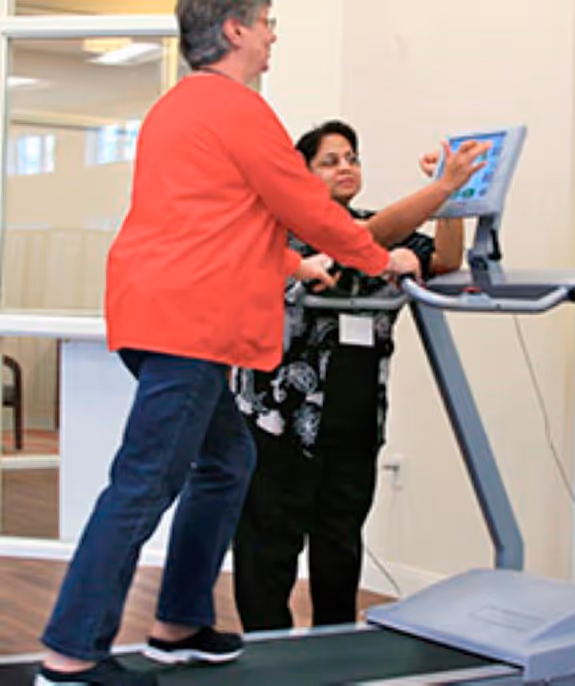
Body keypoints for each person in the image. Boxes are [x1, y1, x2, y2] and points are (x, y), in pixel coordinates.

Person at [35, 1, 487, 684]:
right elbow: (308, 211)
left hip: (156, 314)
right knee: (143, 482)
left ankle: (179, 623)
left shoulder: (178, 108)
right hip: (189, 324)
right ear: (236, 29)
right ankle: (69, 656)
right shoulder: (238, 109)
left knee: (226, 462)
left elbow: (210, 217)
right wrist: (378, 253)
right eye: (267, 20)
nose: (275, 34)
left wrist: (291, 265)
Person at [231, 120, 462, 631]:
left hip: (354, 415)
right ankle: (266, 653)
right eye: (330, 160)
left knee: (340, 539)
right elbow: (353, 243)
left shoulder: (374, 222)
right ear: (301, 174)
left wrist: (449, 197)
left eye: (352, 157)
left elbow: (445, 258)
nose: (346, 167)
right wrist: (432, 193)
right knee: (271, 541)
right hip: (281, 419)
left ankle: (333, 646)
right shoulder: (281, 229)